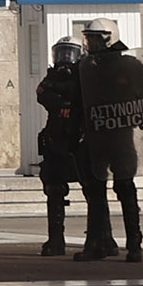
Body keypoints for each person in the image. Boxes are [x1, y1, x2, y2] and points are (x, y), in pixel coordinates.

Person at [72, 19, 143, 263]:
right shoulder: (87, 66)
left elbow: (142, 98)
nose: (90, 42)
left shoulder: (130, 65)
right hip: (95, 135)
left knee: (125, 188)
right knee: (94, 190)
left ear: (108, 37)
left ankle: (134, 243)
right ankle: (98, 242)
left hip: (120, 134)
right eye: (88, 37)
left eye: (94, 38)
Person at [34, 37, 85, 257]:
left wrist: (73, 106)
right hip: (57, 137)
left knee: (93, 190)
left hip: (80, 136)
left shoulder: (85, 76)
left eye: (69, 53)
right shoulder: (52, 77)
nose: (65, 58)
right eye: (62, 53)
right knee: (54, 187)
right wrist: (61, 104)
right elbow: (42, 94)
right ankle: (56, 240)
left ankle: (101, 238)